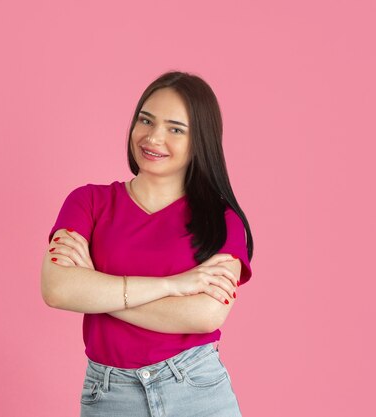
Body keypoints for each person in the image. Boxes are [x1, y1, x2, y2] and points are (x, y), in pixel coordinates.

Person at [41, 70, 254, 417]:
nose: (153, 137)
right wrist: (172, 286)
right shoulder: (88, 203)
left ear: (200, 140)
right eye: (146, 120)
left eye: (175, 129)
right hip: (109, 394)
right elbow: (57, 289)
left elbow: (205, 314)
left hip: (196, 389)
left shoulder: (220, 219)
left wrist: (96, 289)